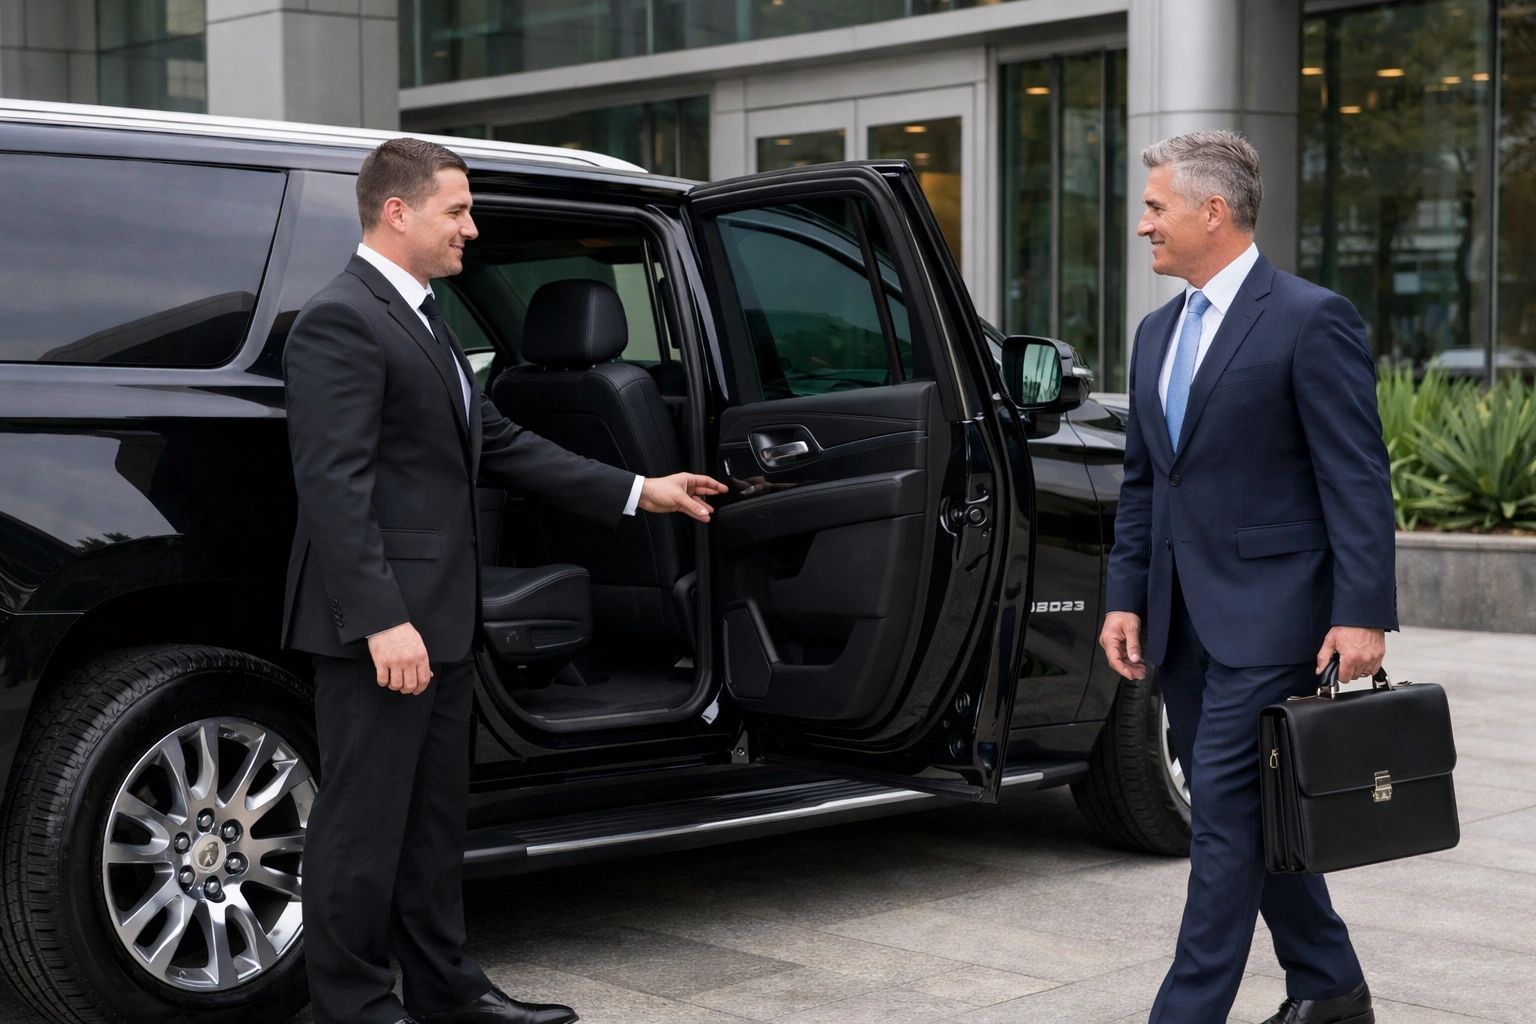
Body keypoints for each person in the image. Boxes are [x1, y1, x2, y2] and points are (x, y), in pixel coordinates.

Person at [281, 137, 727, 1024]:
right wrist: (381, 620)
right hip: (385, 630)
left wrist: (642, 489)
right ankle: (355, 1007)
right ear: (397, 212)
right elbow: (332, 487)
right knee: (362, 829)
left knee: (433, 825)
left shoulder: (424, 316)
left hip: (443, 621)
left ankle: (450, 993)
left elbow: (505, 445)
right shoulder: (341, 318)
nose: (471, 230)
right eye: (457, 212)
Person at [1099, 131, 1395, 1024]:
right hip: (1181, 625)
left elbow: (1356, 476)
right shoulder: (1155, 334)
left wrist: (1363, 613)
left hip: (1276, 621)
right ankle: (1332, 990)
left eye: (1156, 207)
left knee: (1223, 824)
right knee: (1260, 814)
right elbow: (1149, 480)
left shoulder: (1310, 317)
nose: (1143, 224)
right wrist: (1124, 592)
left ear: (1211, 212)